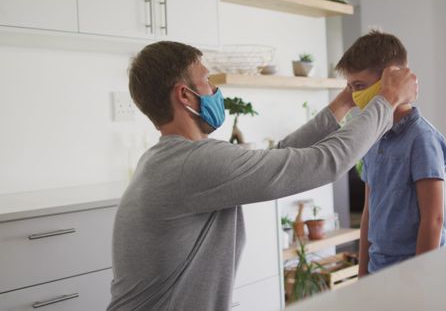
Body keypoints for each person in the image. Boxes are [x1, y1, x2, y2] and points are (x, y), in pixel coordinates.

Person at [108, 41, 418, 310]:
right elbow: (326, 163)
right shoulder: (193, 165)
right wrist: (387, 100)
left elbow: (276, 156)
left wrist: (343, 103)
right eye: (207, 81)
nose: (215, 91)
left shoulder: (171, 158)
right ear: (185, 96)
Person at [334, 30, 446, 277]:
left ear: (392, 79)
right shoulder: (371, 137)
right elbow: (368, 211)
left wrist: (422, 279)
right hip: (378, 270)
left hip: (415, 273)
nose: (355, 96)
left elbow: (434, 219)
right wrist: (363, 273)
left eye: (360, 87)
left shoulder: (422, 139)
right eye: (351, 87)